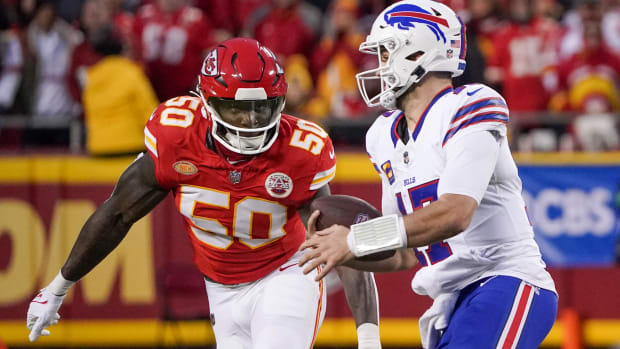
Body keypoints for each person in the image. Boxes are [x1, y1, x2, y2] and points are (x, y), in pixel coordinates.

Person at [26, 38, 382, 349]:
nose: (252, 120)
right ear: (207, 101)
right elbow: (118, 213)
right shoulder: (177, 135)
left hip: (285, 273)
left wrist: (368, 337)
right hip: (220, 289)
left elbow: (335, 239)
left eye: (263, 106)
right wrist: (59, 286)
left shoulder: (300, 148)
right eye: (238, 109)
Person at [298, 1, 558, 348]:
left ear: (419, 51)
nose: (380, 66)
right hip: (453, 303)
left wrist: (355, 240)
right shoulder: (382, 135)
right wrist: (342, 251)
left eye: (387, 52)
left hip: (506, 281)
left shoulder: (471, 105)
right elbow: (405, 252)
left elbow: (455, 213)